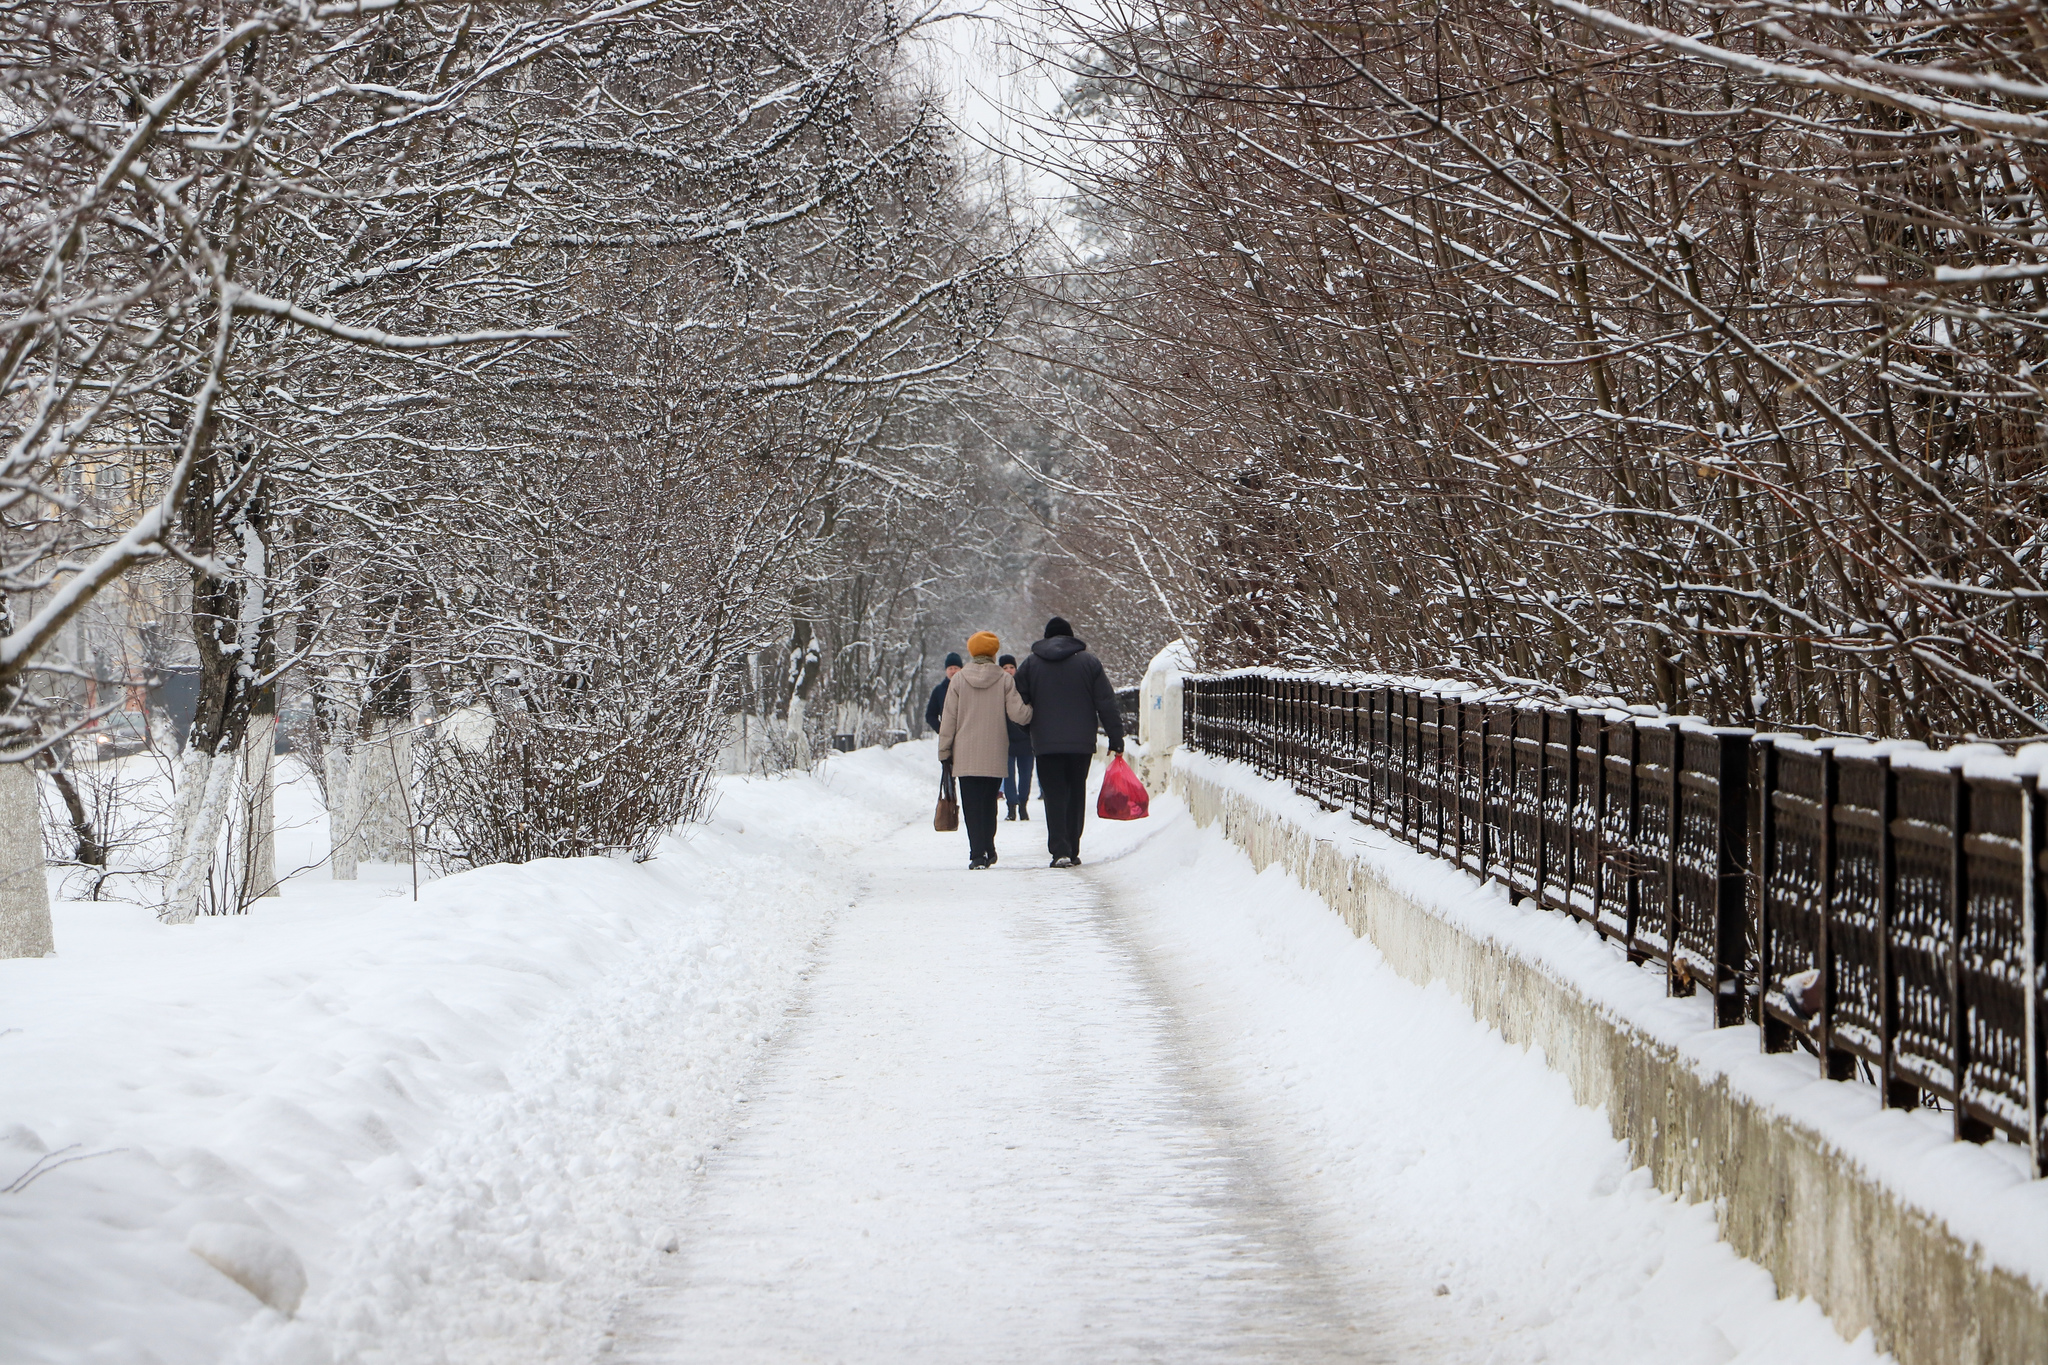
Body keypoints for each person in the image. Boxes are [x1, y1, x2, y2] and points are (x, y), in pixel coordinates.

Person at [1013, 617, 1123, 868]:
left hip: (1045, 743)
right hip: (1081, 742)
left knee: (1054, 795)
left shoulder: (1031, 664)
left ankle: (1059, 850)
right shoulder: (1089, 663)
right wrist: (1116, 737)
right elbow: (1106, 702)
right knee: (1075, 792)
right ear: (1070, 637)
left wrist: (1028, 728)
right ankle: (1073, 848)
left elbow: (1016, 702)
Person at [937, 633, 1032, 870]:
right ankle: (989, 847)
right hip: (994, 750)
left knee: (971, 804)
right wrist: (1034, 709)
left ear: (971, 652)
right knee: (989, 801)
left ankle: (977, 854)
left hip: (965, 752)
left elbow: (948, 719)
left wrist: (944, 751)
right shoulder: (1004, 679)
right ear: (993, 653)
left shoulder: (958, 680)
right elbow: (1018, 714)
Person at [999, 654, 1032, 822]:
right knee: (1008, 776)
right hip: (1005, 740)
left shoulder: (1024, 686)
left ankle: (1023, 805)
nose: (1008, 670)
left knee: (1026, 774)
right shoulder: (997, 689)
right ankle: (1011, 807)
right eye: (1004, 668)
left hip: (1025, 738)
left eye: (1011, 667)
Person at [924, 652, 963, 735]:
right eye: (950, 668)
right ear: (946, 670)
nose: (953, 671)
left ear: (961, 669)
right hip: (948, 737)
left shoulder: (967, 688)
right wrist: (942, 730)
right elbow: (930, 715)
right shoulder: (939, 690)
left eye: (956, 668)